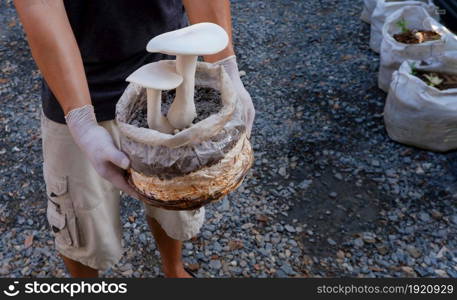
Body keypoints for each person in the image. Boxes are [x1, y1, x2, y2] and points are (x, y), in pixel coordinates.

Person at [14, 0, 255, 278]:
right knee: (81, 224)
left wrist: (226, 66)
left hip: (168, 65)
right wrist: (81, 122)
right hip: (77, 88)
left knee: (172, 197)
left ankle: (174, 270)